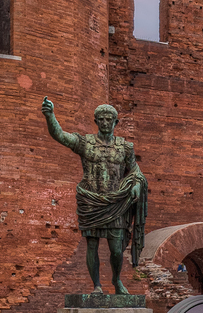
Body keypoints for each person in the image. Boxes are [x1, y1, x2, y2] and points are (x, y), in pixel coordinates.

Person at [41, 100, 149, 295]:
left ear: (116, 122)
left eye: (109, 119)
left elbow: (136, 171)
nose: (105, 122)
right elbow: (59, 135)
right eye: (101, 119)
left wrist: (138, 184)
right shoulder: (85, 143)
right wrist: (50, 116)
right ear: (96, 121)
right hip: (91, 200)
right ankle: (97, 286)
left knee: (116, 249)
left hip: (115, 202)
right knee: (92, 244)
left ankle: (116, 280)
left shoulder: (125, 147)